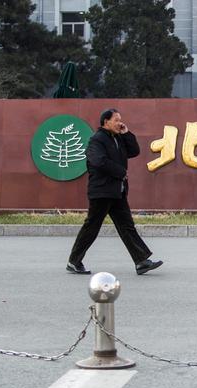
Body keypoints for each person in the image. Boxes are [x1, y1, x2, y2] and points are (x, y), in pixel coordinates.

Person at [66, 108, 163, 275]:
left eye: (121, 120)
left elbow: (134, 151)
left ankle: (141, 261)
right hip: (102, 191)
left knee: (127, 226)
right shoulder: (97, 140)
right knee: (92, 227)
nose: (120, 123)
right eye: (116, 120)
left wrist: (126, 133)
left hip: (117, 192)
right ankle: (74, 261)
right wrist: (120, 172)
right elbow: (99, 161)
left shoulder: (117, 138)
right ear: (106, 122)